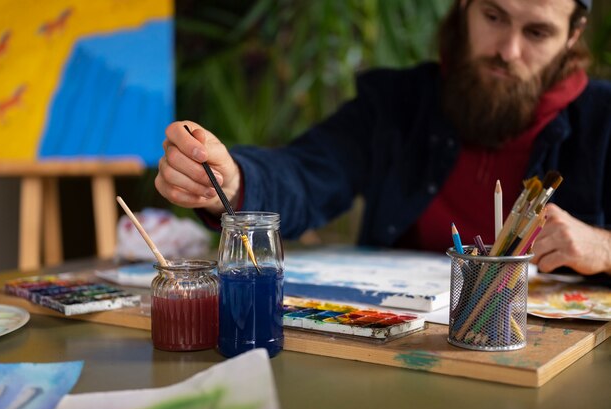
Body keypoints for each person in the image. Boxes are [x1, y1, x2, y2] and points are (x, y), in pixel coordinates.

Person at [155, 0, 611, 276]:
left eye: (537, 32)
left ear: (574, 35)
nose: (508, 51)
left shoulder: (603, 120)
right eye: (494, 16)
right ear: (465, 7)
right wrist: (233, 182)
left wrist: (605, 248)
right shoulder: (396, 101)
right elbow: (308, 172)